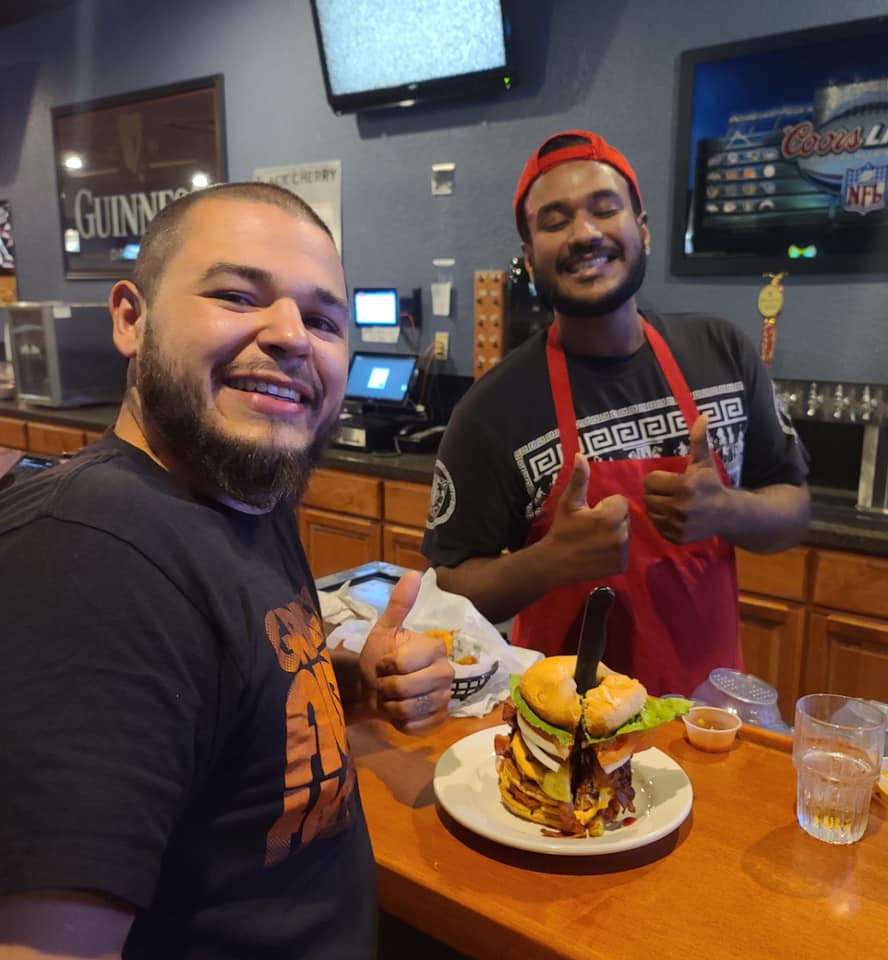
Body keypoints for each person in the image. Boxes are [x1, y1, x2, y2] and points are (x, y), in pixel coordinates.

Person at [0, 182, 454, 960]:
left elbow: (217, 702)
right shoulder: (88, 561)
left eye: (322, 320)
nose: (291, 336)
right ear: (131, 318)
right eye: (238, 296)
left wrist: (353, 685)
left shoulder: (239, 495)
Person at [422, 129, 810, 696]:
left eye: (604, 209)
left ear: (642, 229)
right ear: (529, 258)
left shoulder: (721, 354)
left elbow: (794, 506)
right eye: (555, 221)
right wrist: (550, 561)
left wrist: (726, 510)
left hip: (705, 717)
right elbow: (447, 586)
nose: (584, 233)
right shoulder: (491, 410)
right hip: (562, 721)